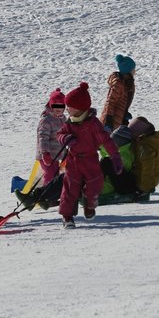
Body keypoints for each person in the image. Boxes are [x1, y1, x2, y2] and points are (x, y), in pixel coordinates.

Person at [56, 82, 124, 228]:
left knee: (96, 183)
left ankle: (89, 204)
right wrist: (66, 138)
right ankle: (67, 216)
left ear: (80, 108)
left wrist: (115, 157)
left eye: (70, 106)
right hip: (73, 160)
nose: (67, 109)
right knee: (70, 188)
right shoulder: (69, 123)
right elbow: (60, 134)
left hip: (90, 159)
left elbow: (107, 141)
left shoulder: (93, 124)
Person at [100, 54, 136, 131]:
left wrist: (124, 113)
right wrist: (108, 119)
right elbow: (110, 102)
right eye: (133, 69)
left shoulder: (127, 83)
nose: (135, 72)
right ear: (128, 71)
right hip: (111, 120)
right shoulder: (118, 84)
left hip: (118, 117)